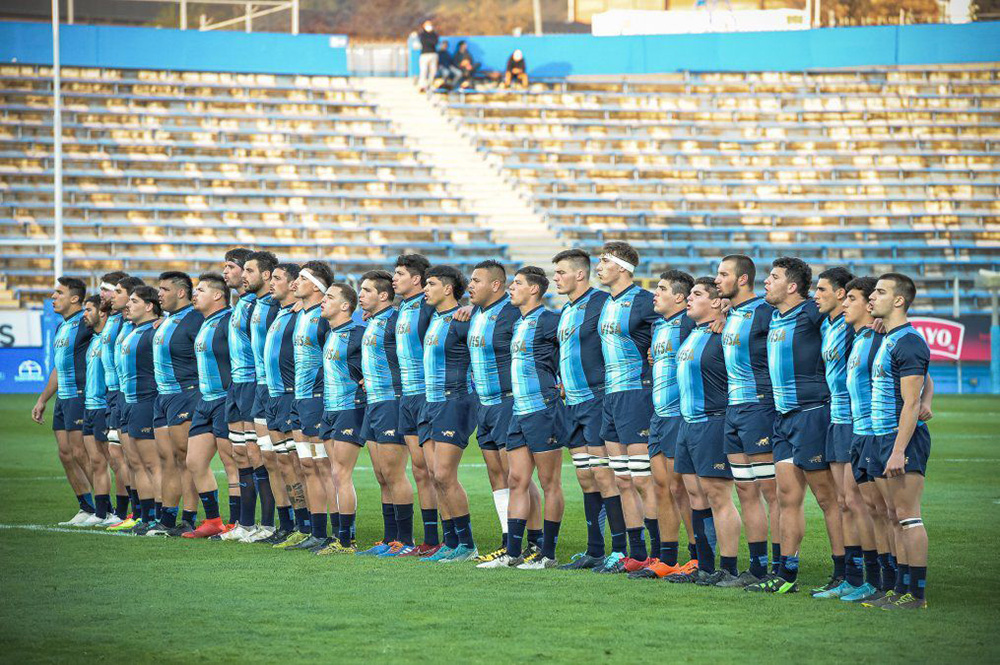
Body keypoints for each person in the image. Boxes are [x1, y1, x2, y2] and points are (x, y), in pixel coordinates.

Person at [747, 257, 843, 594]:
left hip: (812, 413)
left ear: (791, 286)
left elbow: (848, 311)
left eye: (773, 278)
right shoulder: (772, 315)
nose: (766, 283)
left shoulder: (812, 313)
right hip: (783, 418)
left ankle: (844, 573)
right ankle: (787, 573)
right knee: (787, 497)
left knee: (828, 498)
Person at [480, 267, 567, 569]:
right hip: (519, 410)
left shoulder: (549, 320)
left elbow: (573, 349)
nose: (511, 289)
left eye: (517, 284)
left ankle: (548, 554)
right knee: (517, 479)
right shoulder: (519, 322)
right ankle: (513, 552)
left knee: (549, 482)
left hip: (544, 409)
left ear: (534, 290)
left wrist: (565, 380)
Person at [465, 260, 543, 564]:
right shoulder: (475, 315)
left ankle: (535, 543)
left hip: (509, 402)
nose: (469, 286)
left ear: (495, 285)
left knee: (519, 477)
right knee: (496, 474)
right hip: (483, 404)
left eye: (476, 280)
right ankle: (508, 541)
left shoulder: (513, 314)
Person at [550, 249, 623, 571]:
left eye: (562, 272)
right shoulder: (566, 310)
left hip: (596, 400)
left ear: (580, 275)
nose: (556, 278)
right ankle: (595, 550)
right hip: (573, 403)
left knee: (606, 477)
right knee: (585, 478)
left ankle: (620, 551)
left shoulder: (602, 303)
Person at [865, 273, 932, 610]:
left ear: (899, 300)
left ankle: (915, 595)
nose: (871, 297)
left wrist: (899, 450)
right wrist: (929, 399)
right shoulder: (891, 338)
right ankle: (900, 589)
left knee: (907, 515)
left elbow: (910, 401)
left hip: (898, 438)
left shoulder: (908, 341)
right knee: (893, 514)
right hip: (881, 435)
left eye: (880, 292)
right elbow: (923, 382)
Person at [628, 270, 698, 580]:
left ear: (680, 298)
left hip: (678, 416)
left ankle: (698, 558)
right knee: (662, 487)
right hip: (658, 415)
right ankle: (667, 558)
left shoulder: (688, 322)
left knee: (681, 489)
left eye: (662, 289)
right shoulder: (661, 325)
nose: (655, 294)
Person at [595, 241, 659, 573]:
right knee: (622, 479)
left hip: (636, 394)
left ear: (623, 268)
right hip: (611, 397)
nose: (598, 266)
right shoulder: (606, 303)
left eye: (604, 261)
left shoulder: (646, 301)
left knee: (643, 479)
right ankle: (635, 554)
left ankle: (659, 554)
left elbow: (677, 320)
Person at [716, 255, 781, 580]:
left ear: (742, 280)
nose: (717, 280)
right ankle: (756, 568)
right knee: (745, 491)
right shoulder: (732, 314)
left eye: (723, 274)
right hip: (734, 409)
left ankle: (781, 568)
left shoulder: (767, 312)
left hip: (759, 408)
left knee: (772, 493)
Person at [418, 265, 478, 562]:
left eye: (430, 284)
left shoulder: (465, 319)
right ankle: (451, 542)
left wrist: (471, 307)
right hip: (429, 403)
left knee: (444, 474)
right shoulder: (432, 317)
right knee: (434, 476)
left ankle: (467, 543)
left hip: (454, 401)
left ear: (448, 288)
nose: (425, 289)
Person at [840, 276, 893, 603]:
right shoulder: (859, 337)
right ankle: (872, 579)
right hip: (857, 432)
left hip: (876, 434)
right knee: (865, 506)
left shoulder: (878, 338)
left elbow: (919, 374)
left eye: (852, 299)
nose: (845, 304)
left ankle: (889, 581)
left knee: (882, 509)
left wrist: (925, 402)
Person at [346, 270, 405, 555]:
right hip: (373, 401)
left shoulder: (395, 319)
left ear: (383, 295)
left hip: (392, 401)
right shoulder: (371, 321)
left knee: (394, 474)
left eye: (367, 290)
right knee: (381, 475)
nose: (361, 295)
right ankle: (389, 537)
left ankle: (404, 541)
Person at [812, 266, 863, 597]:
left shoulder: (853, 328)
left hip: (855, 422)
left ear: (841, 294)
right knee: (843, 501)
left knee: (857, 502)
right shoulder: (826, 324)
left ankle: (867, 575)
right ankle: (846, 574)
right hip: (835, 420)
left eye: (822, 290)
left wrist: (925, 400)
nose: (816, 296)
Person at [32, 277, 96, 526]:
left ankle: (105, 508)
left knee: (81, 452)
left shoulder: (87, 322)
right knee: (66, 454)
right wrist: (43, 399)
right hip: (63, 397)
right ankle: (86, 506)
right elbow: (58, 368)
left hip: (80, 395)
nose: (53, 297)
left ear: (75, 299)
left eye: (59, 292)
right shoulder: (62, 327)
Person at [146, 271, 203, 537]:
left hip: (186, 394)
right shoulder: (166, 321)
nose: (159, 294)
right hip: (163, 397)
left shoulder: (195, 319)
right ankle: (167, 518)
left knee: (185, 459)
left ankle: (189, 518)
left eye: (165, 289)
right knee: (167, 459)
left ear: (181, 292)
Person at [314, 283, 369, 556]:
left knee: (340, 473)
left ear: (346, 306)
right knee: (334, 474)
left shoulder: (360, 333)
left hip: (351, 408)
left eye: (330, 297)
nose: (323, 301)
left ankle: (347, 541)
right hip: (329, 409)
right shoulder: (330, 334)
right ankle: (339, 536)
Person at [284, 261, 336, 552]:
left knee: (323, 466)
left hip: (318, 398)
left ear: (316, 286)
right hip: (299, 398)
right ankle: (316, 532)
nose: (294, 284)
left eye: (301, 279)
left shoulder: (324, 317)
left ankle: (338, 532)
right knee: (306, 465)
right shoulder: (301, 314)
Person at [260, 263, 311, 547]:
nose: (272, 283)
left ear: (293, 285)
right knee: (282, 462)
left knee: (299, 463)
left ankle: (309, 526)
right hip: (274, 394)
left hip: (293, 394)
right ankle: (292, 524)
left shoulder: (303, 315)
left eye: (277, 279)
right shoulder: (279, 312)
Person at [392, 254, 440, 555]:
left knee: (436, 471)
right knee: (420, 471)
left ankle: (450, 537)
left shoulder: (427, 307)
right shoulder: (402, 308)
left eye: (399, 273)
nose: (394, 278)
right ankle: (430, 540)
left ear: (417, 280)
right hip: (406, 396)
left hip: (426, 395)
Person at [183, 273, 234, 539]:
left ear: (217, 295)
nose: (195, 294)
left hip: (226, 399)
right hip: (205, 400)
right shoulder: (204, 322)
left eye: (200, 290)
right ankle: (213, 520)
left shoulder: (230, 319)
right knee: (194, 461)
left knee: (231, 463)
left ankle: (238, 523)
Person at [241, 250, 284, 543]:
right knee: (263, 456)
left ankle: (291, 524)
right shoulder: (256, 304)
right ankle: (273, 524)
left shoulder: (273, 308)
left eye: (249, 270)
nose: (244, 276)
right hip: (258, 387)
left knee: (283, 459)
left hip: (274, 389)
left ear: (266, 276)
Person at [119, 285, 162, 535]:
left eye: (134, 301)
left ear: (149, 306)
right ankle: (144, 516)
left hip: (147, 400)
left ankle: (158, 515)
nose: (128, 305)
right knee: (135, 463)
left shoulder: (155, 330)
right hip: (130, 401)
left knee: (151, 463)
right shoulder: (134, 331)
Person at [221, 247, 258, 539]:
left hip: (253, 385)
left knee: (258, 456)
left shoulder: (258, 304)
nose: (228, 272)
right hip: (236, 385)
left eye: (233, 267)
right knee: (239, 455)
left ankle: (269, 523)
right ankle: (245, 524)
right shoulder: (239, 304)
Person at [106, 276, 147, 531]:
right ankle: (136, 511)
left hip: (139, 398)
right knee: (126, 458)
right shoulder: (124, 324)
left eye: (119, 293)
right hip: (122, 396)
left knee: (142, 460)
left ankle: (148, 513)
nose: (112, 296)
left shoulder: (143, 328)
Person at [98, 272, 131, 523]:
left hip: (124, 392)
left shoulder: (127, 321)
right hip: (111, 392)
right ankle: (124, 512)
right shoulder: (111, 319)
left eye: (110, 290)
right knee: (115, 454)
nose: (104, 294)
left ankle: (131, 512)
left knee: (124, 454)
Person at [80, 295, 117, 526]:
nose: (85, 313)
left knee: (115, 461)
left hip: (104, 405)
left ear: (102, 313)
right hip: (89, 406)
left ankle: (121, 511)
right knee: (95, 461)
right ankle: (102, 512)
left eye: (88, 309)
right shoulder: (94, 340)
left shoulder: (108, 339)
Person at [416, 20, 439, 93]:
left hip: (433, 54)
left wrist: (429, 41)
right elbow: (424, 42)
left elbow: (435, 42)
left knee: (433, 71)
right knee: (423, 71)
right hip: (424, 54)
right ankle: (422, 86)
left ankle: (429, 85)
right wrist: (430, 41)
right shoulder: (422, 34)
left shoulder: (434, 34)